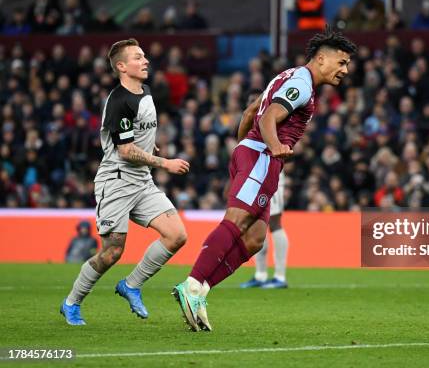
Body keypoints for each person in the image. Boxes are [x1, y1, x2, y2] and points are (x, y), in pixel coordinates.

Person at [172, 27, 357, 331]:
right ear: (321, 58)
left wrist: (242, 150)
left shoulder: (288, 76)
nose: (345, 70)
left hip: (254, 154)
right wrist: (268, 147)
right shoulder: (301, 83)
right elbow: (270, 115)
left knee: (255, 238)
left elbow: (249, 113)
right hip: (262, 157)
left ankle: (201, 291)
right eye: (341, 62)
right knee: (235, 223)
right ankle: (192, 285)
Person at [60, 39, 191, 326]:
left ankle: (131, 285)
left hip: (142, 181)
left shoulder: (145, 92)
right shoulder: (120, 100)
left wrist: (150, 146)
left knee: (176, 235)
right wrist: (165, 162)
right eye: (137, 57)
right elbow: (126, 151)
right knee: (112, 252)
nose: (145, 61)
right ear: (121, 67)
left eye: (144, 55)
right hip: (116, 180)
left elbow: (136, 138)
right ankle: (71, 303)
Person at [239, 91, 290, 289]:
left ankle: (280, 276)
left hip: (271, 168)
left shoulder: (275, 116)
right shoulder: (252, 120)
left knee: (275, 222)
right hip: (253, 171)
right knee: (254, 221)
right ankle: (260, 275)